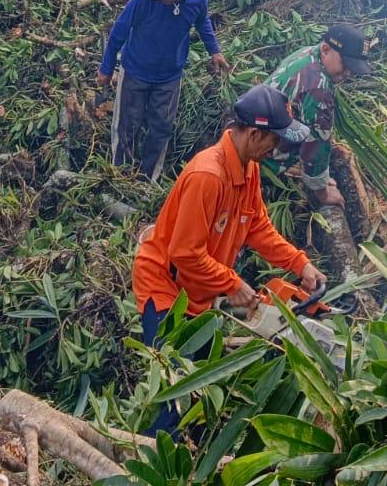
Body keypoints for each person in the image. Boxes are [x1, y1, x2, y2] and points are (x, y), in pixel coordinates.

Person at [131, 83, 327, 434]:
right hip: (166, 291)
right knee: (177, 396)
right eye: (275, 140)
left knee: (204, 388)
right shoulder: (209, 175)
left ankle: (188, 454)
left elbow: (258, 228)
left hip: (199, 294)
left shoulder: (246, 167)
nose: (278, 148)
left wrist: (300, 264)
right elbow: (184, 253)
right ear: (254, 134)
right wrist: (232, 283)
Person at [98, 0, 231, 178]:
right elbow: (119, 31)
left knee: (161, 128)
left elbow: (202, 22)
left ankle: (148, 177)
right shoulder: (142, 0)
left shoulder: (197, 0)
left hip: (169, 77)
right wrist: (107, 67)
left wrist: (215, 51)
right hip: (135, 72)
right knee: (128, 125)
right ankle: (120, 175)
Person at [264, 23, 374, 210]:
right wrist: (322, 191)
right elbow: (315, 147)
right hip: (262, 160)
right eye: (345, 65)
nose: (348, 73)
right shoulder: (319, 89)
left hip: (254, 134)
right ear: (326, 49)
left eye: (352, 69)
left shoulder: (307, 54)